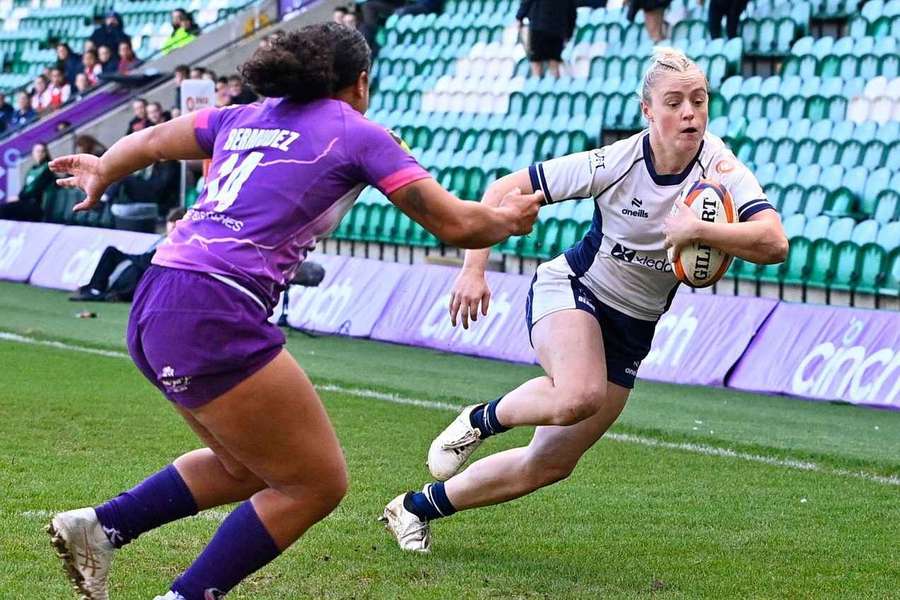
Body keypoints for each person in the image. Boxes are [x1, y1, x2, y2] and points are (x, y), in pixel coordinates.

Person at [45, 22, 541, 600]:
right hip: (215, 309)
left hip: (160, 294)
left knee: (246, 468)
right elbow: (456, 223)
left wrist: (105, 167)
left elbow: (153, 142)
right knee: (315, 484)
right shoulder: (358, 134)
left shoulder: (242, 116)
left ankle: (101, 527)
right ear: (359, 82)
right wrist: (508, 220)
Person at [381, 47, 788, 552]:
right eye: (675, 102)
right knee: (578, 395)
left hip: (634, 327)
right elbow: (506, 187)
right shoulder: (617, 160)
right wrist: (473, 268)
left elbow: (774, 242)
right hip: (575, 290)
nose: (690, 113)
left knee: (548, 465)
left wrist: (702, 229)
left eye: (699, 101)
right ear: (648, 111)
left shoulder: (720, 167)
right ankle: (480, 419)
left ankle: (413, 508)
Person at [71, 207, 187, 302]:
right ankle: (95, 288)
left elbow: (150, 259)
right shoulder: (163, 238)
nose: (172, 226)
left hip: (151, 267)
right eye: (170, 222)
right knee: (112, 252)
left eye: (176, 223)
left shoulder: (177, 243)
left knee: (134, 269)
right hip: (145, 261)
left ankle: (98, 292)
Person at [516, 0, 577, 78]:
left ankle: (537, 86)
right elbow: (572, 13)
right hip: (557, 29)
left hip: (539, 27)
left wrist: (519, 17)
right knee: (553, 63)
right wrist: (568, 34)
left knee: (536, 62)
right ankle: (552, 86)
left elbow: (527, 2)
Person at [0, 143, 55, 221]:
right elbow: (25, 187)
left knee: (3, 210)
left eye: (42, 151)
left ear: (46, 153)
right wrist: (18, 197)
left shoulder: (47, 169)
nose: (40, 154)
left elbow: (36, 188)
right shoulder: (33, 169)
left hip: (36, 205)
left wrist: (19, 197)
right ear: (33, 153)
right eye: (37, 151)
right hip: (25, 202)